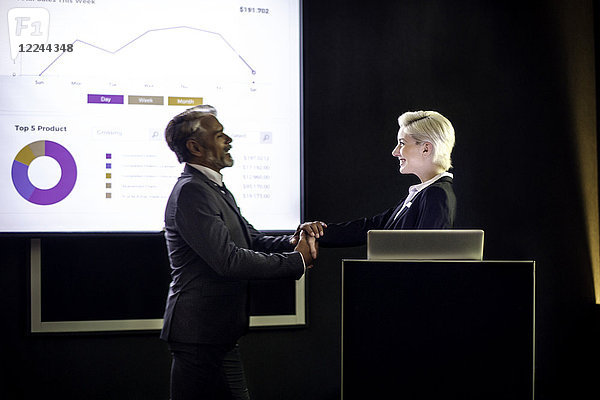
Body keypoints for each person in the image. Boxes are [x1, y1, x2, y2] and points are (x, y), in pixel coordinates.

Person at [160, 105, 317, 400]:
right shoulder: (192, 191)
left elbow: (251, 239)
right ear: (195, 147)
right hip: (200, 335)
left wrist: (294, 240)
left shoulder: (214, 189)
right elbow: (228, 260)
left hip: (214, 334)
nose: (228, 139)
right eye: (219, 135)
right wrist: (296, 260)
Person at [295, 110, 456, 246]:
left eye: (402, 143)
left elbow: (426, 257)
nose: (395, 151)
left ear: (426, 149)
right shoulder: (422, 193)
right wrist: (317, 232)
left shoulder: (436, 194)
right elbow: (371, 228)